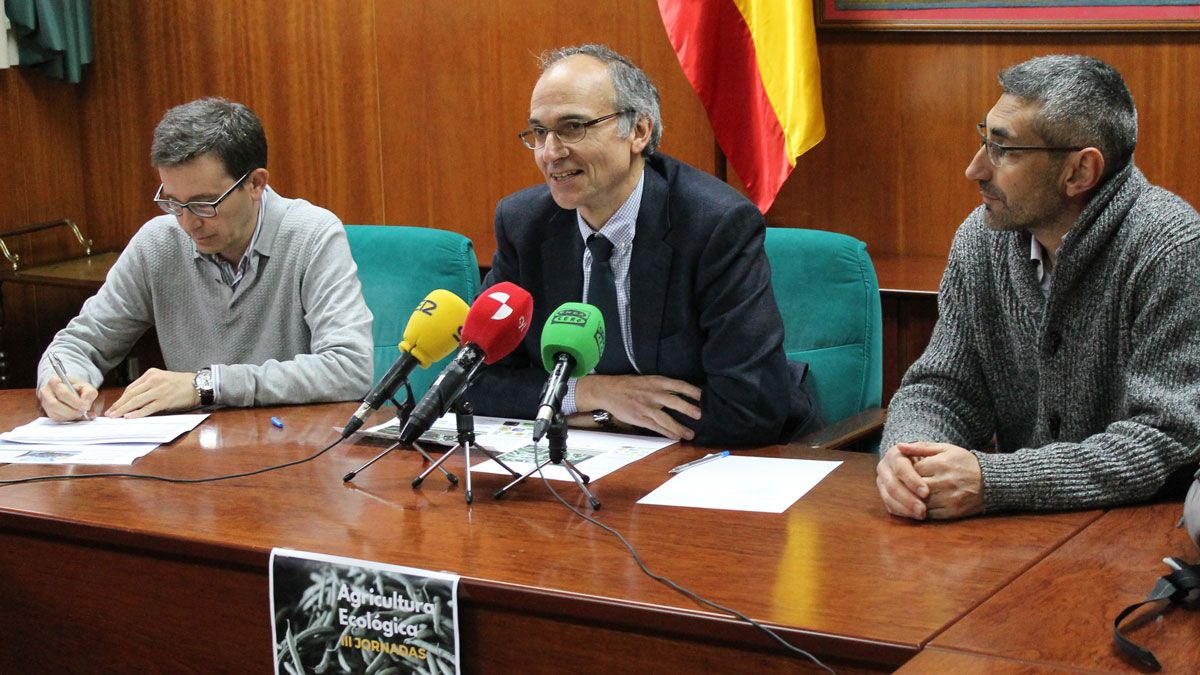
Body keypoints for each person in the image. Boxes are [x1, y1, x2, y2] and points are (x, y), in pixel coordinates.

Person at [876, 55, 1200, 520]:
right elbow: (942, 387)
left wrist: (996, 482)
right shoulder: (982, 238)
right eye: (983, 140)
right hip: (1017, 536)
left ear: (1080, 173)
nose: (975, 169)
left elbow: (1165, 437)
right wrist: (907, 460)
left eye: (1004, 151)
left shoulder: (1171, 246)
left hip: (1138, 535)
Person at [467, 44, 820, 446]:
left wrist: (600, 418)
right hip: (594, 461)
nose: (551, 153)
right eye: (540, 132)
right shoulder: (524, 224)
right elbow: (474, 380)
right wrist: (593, 394)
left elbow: (750, 407)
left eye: (572, 127)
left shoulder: (713, 225)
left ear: (638, 131)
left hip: (724, 459)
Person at [36, 97, 373, 420]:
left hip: (292, 453)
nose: (188, 222)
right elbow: (80, 344)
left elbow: (349, 367)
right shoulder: (158, 243)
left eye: (204, 203)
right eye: (173, 202)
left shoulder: (312, 235)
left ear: (255, 183)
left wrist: (207, 385)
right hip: (191, 457)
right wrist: (60, 383)